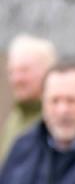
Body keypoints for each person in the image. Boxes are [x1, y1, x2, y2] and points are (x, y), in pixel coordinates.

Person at [0, 34, 56, 164]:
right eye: (11, 72)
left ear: (47, 71)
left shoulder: (56, 119)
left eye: (24, 71)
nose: (16, 79)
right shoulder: (16, 115)